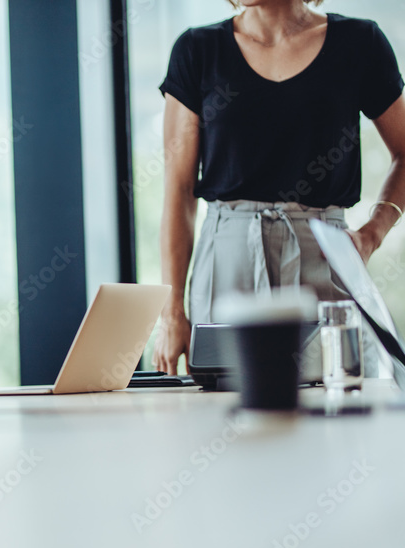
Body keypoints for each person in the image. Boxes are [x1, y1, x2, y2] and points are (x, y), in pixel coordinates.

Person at [153, 0, 405, 374]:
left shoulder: (360, 42)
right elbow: (179, 189)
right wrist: (172, 311)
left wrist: (372, 234)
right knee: (225, 412)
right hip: (227, 264)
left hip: (325, 257)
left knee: (339, 405)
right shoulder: (197, 49)